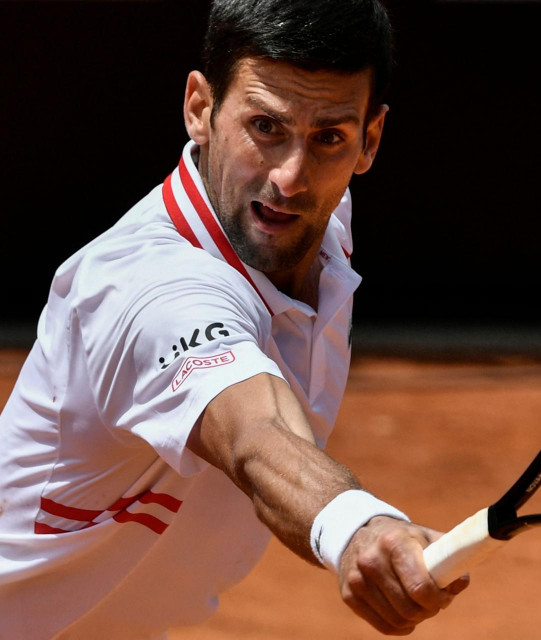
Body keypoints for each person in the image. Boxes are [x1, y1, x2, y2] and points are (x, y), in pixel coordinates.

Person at [0, 0, 469, 637]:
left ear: (370, 140)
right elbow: (256, 434)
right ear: (200, 108)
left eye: (329, 136)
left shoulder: (320, 216)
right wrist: (354, 523)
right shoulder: (148, 289)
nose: (290, 177)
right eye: (264, 127)